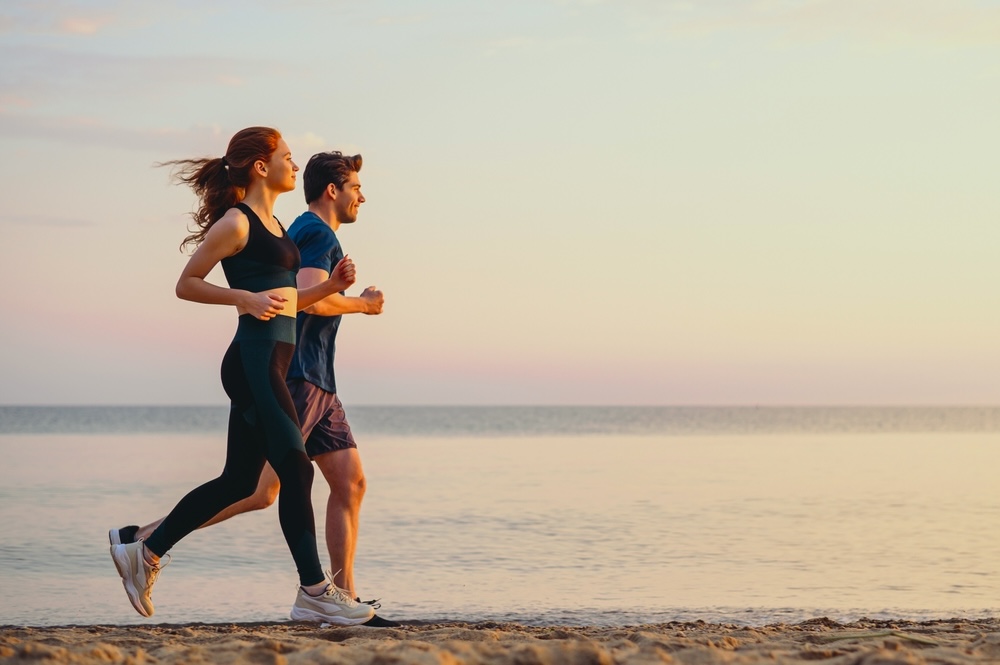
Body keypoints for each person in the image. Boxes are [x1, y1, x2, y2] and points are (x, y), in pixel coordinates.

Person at [109, 148, 390, 625]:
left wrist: (332, 289)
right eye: (285, 155)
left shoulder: (280, 227)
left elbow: (289, 300)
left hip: (279, 365)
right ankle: (316, 592)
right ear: (261, 165)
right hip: (260, 363)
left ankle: (146, 547)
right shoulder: (242, 223)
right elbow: (188, 283)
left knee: (242, 482)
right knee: (288, 478)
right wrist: (244, 296)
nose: (293, 164)